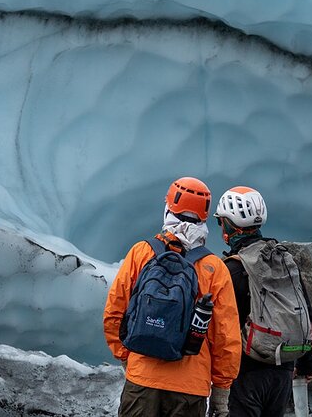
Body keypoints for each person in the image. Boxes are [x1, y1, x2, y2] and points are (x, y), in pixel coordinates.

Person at [103, 176, 241, 417]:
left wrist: (127, 358)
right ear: (204, 217)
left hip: (142, 379)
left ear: (168, 208)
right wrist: (221, 389)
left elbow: (115, 312)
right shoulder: (214, 267)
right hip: (190, 387)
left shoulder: (141, 252)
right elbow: (225, 337)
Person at [214, 186, 312, 417]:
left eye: (221, 222)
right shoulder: (281, 258)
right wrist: (306, 362)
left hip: (246, 372)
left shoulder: (233, 268)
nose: (221, 228)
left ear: (229, 224)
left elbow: (225, 328)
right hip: (282, 370)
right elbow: (305, 312)